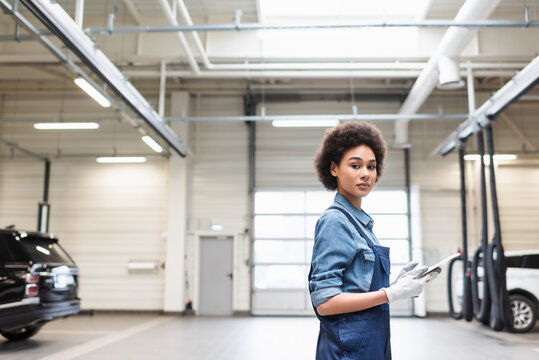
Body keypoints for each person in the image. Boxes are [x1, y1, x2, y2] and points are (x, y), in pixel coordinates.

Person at [309, 121, 438, 360]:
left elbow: (358, 285)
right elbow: (325, 302)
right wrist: (390, 295)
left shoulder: (362, 224)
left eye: (371, 166)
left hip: (372, 344)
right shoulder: (335, 221)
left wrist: (396, 286)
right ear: (334, 168)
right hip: (347, 350)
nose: (365, 173)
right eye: (355, 165)